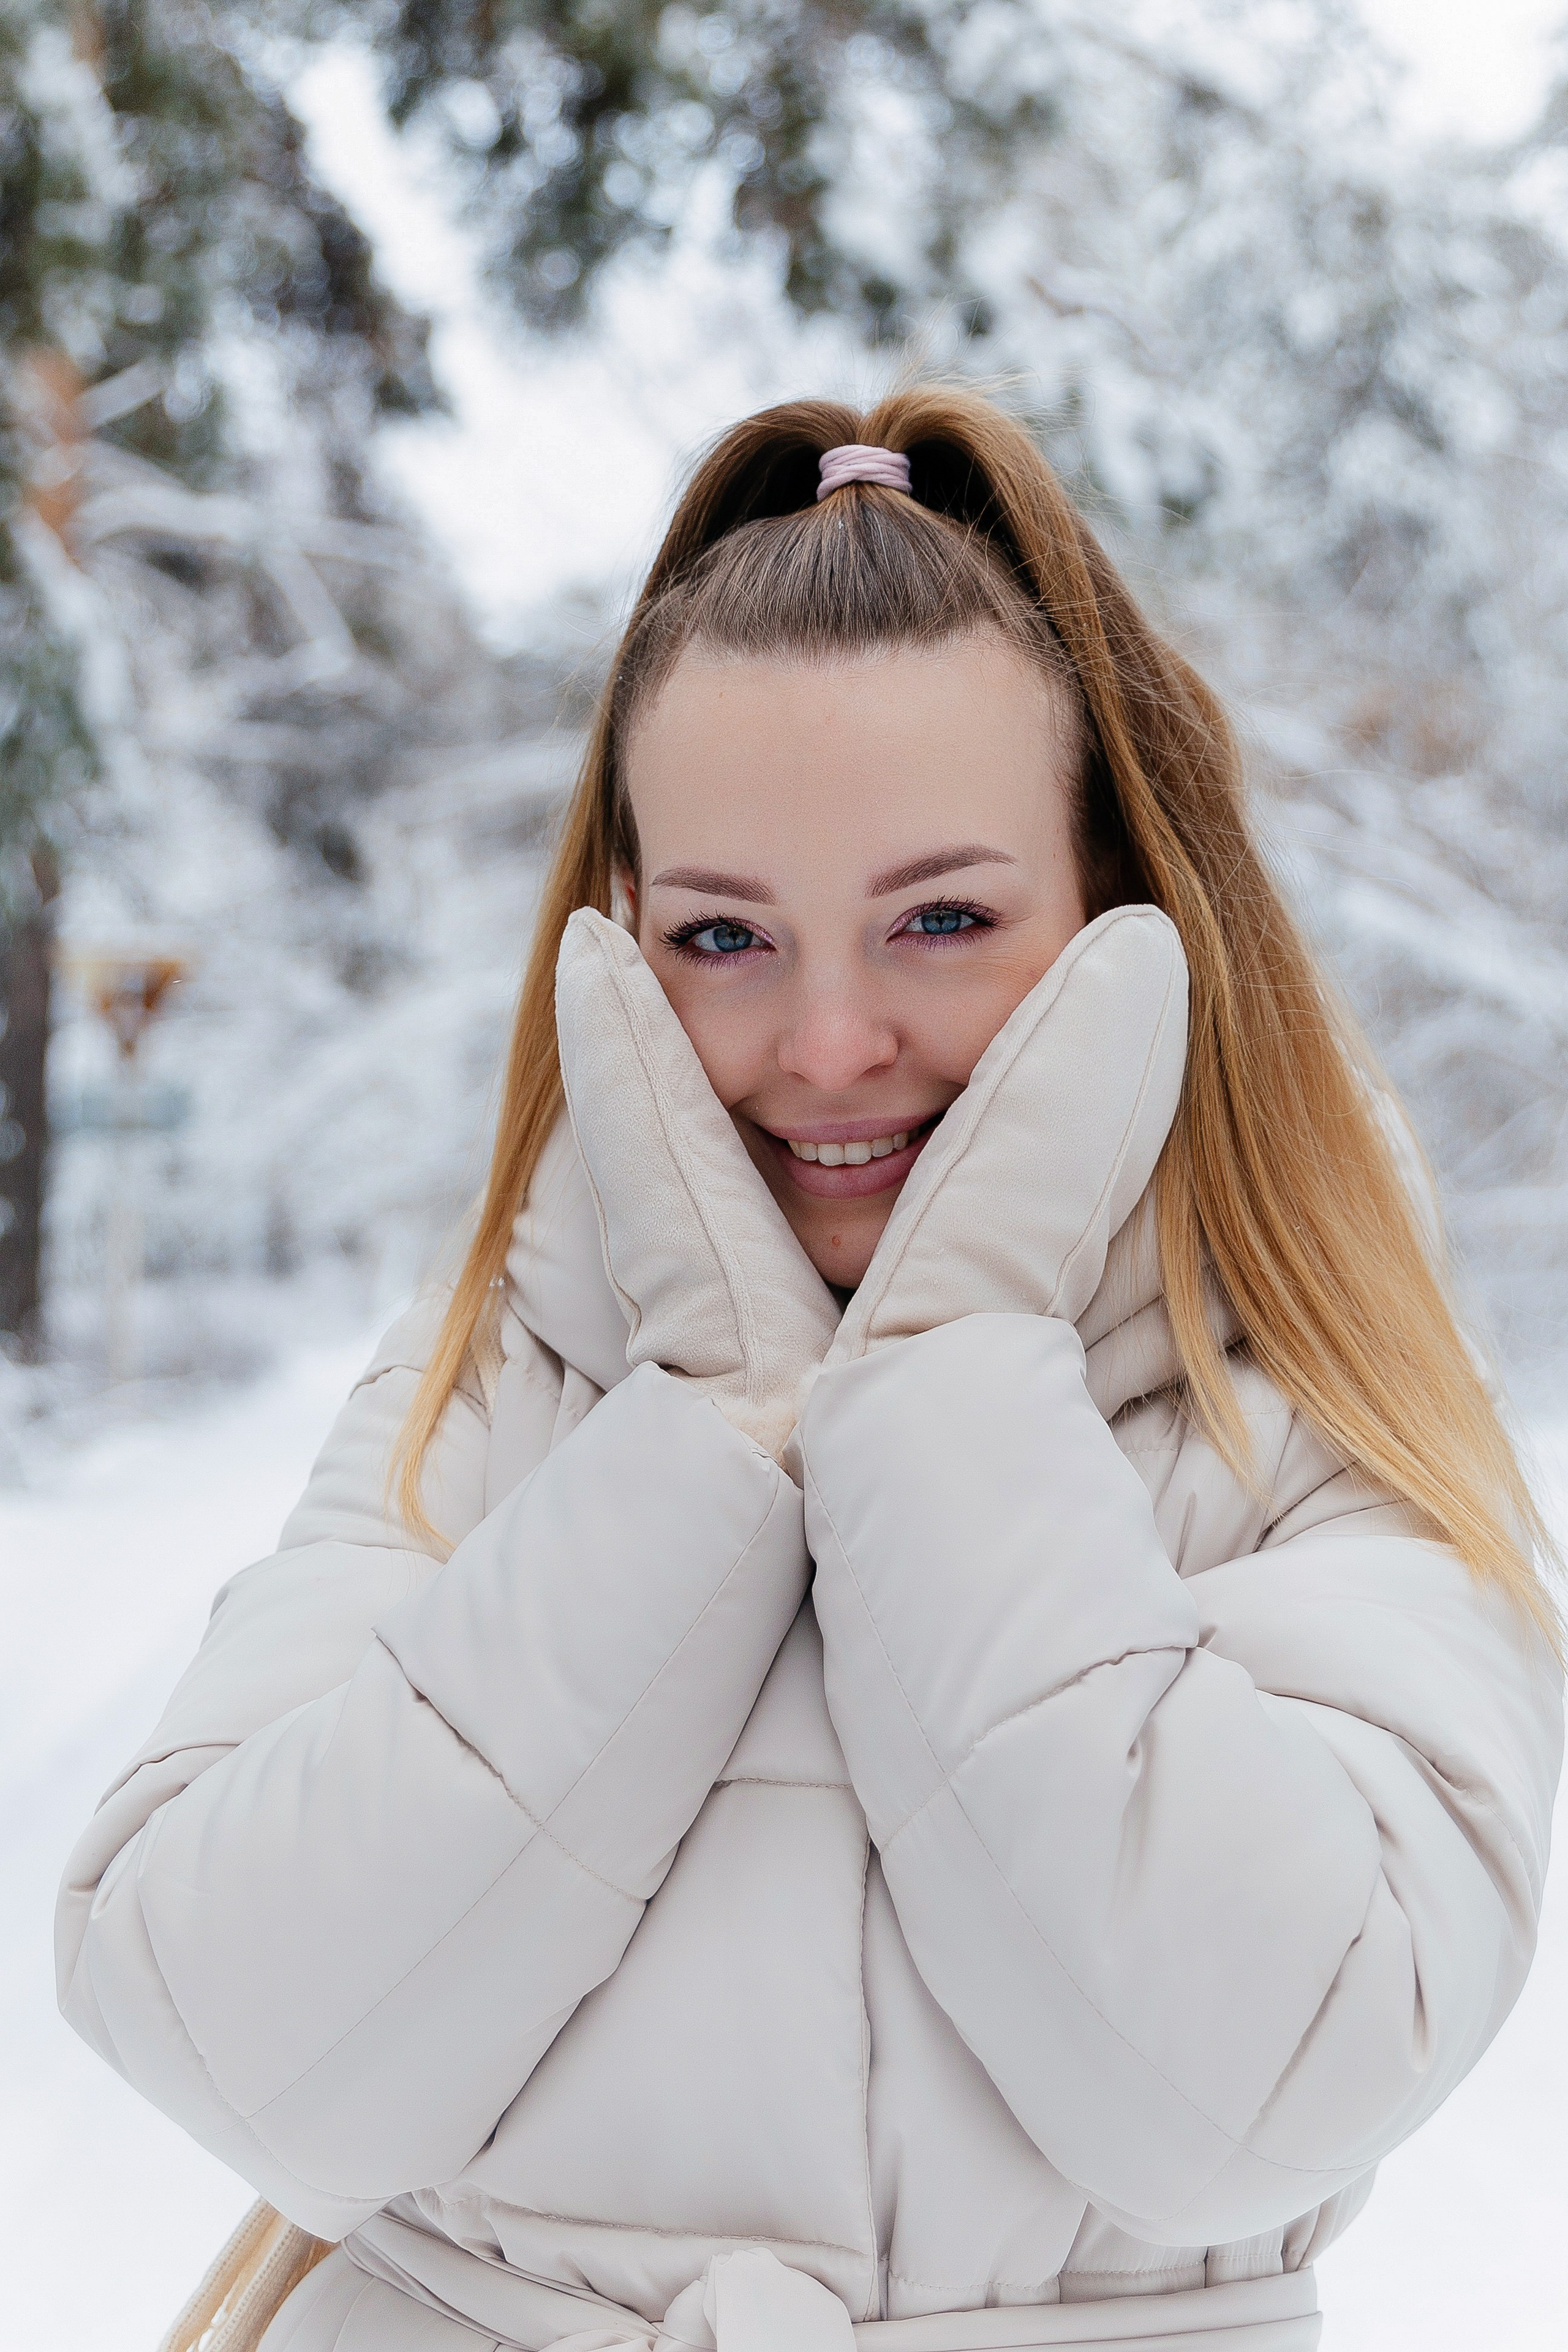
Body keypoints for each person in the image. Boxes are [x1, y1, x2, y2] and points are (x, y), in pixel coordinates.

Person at [58, 391, 1562, 2352]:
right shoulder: (500, 1371)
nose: (831, 1041)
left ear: (1125, 919)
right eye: (725, 936)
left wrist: (943, 1389)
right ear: (619, 948)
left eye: (942, 918)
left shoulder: (1307, 1398)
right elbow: (232, 2040)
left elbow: (1257, 2090)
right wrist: (703, 1443)